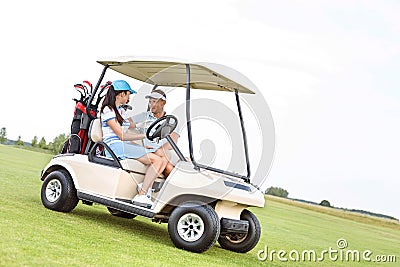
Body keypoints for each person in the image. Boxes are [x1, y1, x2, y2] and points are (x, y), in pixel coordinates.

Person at [100, 80, 168, 207]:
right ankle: (142, 194)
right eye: (128, 94)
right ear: (121, 94)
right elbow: (121, 135)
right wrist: (145, 135)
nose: (129, 97)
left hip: (121, 146)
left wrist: (140, 146)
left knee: (162, 160)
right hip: (114, 147)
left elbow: (127, 131)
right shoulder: (107, 110)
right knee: (157, 161)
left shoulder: (120, 111)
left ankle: (145, 187)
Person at [130, 89, 180, 176]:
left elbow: (172, 143)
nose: (151, 105)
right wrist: (138, 125)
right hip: (150, 151)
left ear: (163, 103)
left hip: (166, 151)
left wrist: (159, 150)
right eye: (150, 102)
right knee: (168, 167)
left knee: (181, 163)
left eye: (154, 101)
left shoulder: (171, 121)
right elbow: (124, 123)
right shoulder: (144, 116)